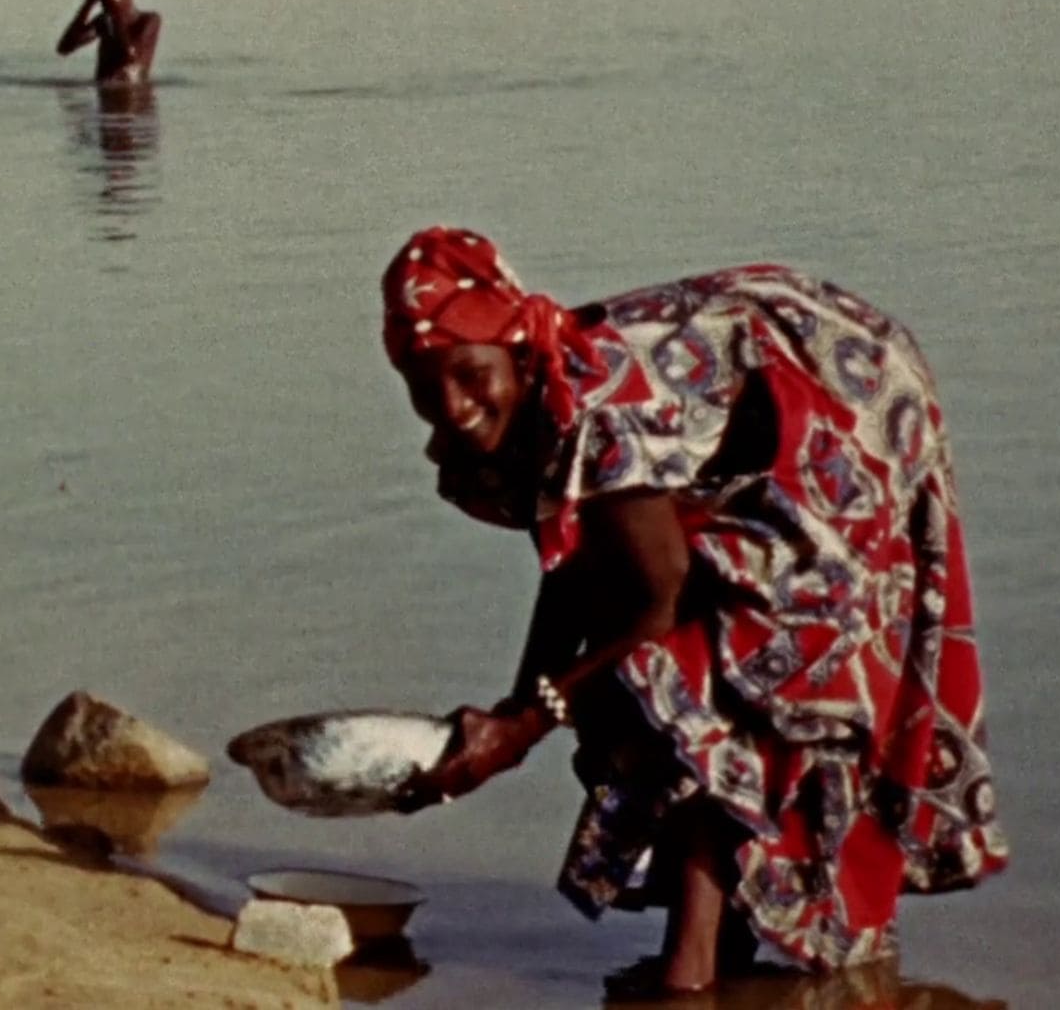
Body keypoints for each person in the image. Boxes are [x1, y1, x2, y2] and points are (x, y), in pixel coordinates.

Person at [380, 228, 1007, 996]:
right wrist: (517, 710)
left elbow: (657, 601)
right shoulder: (527, 414)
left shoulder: (600, 413)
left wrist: (528, 724)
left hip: (848, 399)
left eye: (471, 375)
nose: (453, 407)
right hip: (761, 417)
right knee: (651, 675)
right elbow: (573, 566)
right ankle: (718, 953)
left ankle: (703, 967)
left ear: (514, 351)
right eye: (425, 387)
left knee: (707, 671)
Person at [55, 0, 160, 85]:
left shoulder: (149, 20)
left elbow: (130, 56)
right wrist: (90, 1)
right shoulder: (104, 21)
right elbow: (64, 48)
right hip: (104, 91)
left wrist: (115, 10)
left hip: (133, 92)